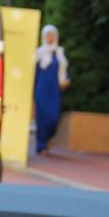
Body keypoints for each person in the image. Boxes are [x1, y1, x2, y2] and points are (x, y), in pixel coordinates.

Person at [33, 24, 69, 155]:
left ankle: (48, 138)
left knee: (54, 117)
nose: (50, 38)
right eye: (48, 35)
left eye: (52, 35)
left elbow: (63, 71)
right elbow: (34, 73)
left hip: (54, 90)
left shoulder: (59, 53)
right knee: (42, 118)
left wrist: (65, 80)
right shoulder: (39, 53)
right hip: (41, 89)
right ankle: (41, 145)